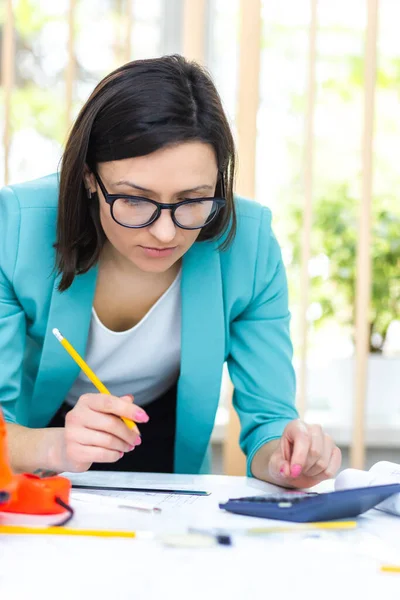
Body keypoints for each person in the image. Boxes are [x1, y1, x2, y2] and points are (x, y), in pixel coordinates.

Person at [0, 55, 341, 487]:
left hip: (168, 464)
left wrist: (288, 459)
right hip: (37, 452)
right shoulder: (15, 226)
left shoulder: (248, 245)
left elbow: (269, 423)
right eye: (135, 199)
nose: (165, 233)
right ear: (89, 177)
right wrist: (58, 446)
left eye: (193, 199)